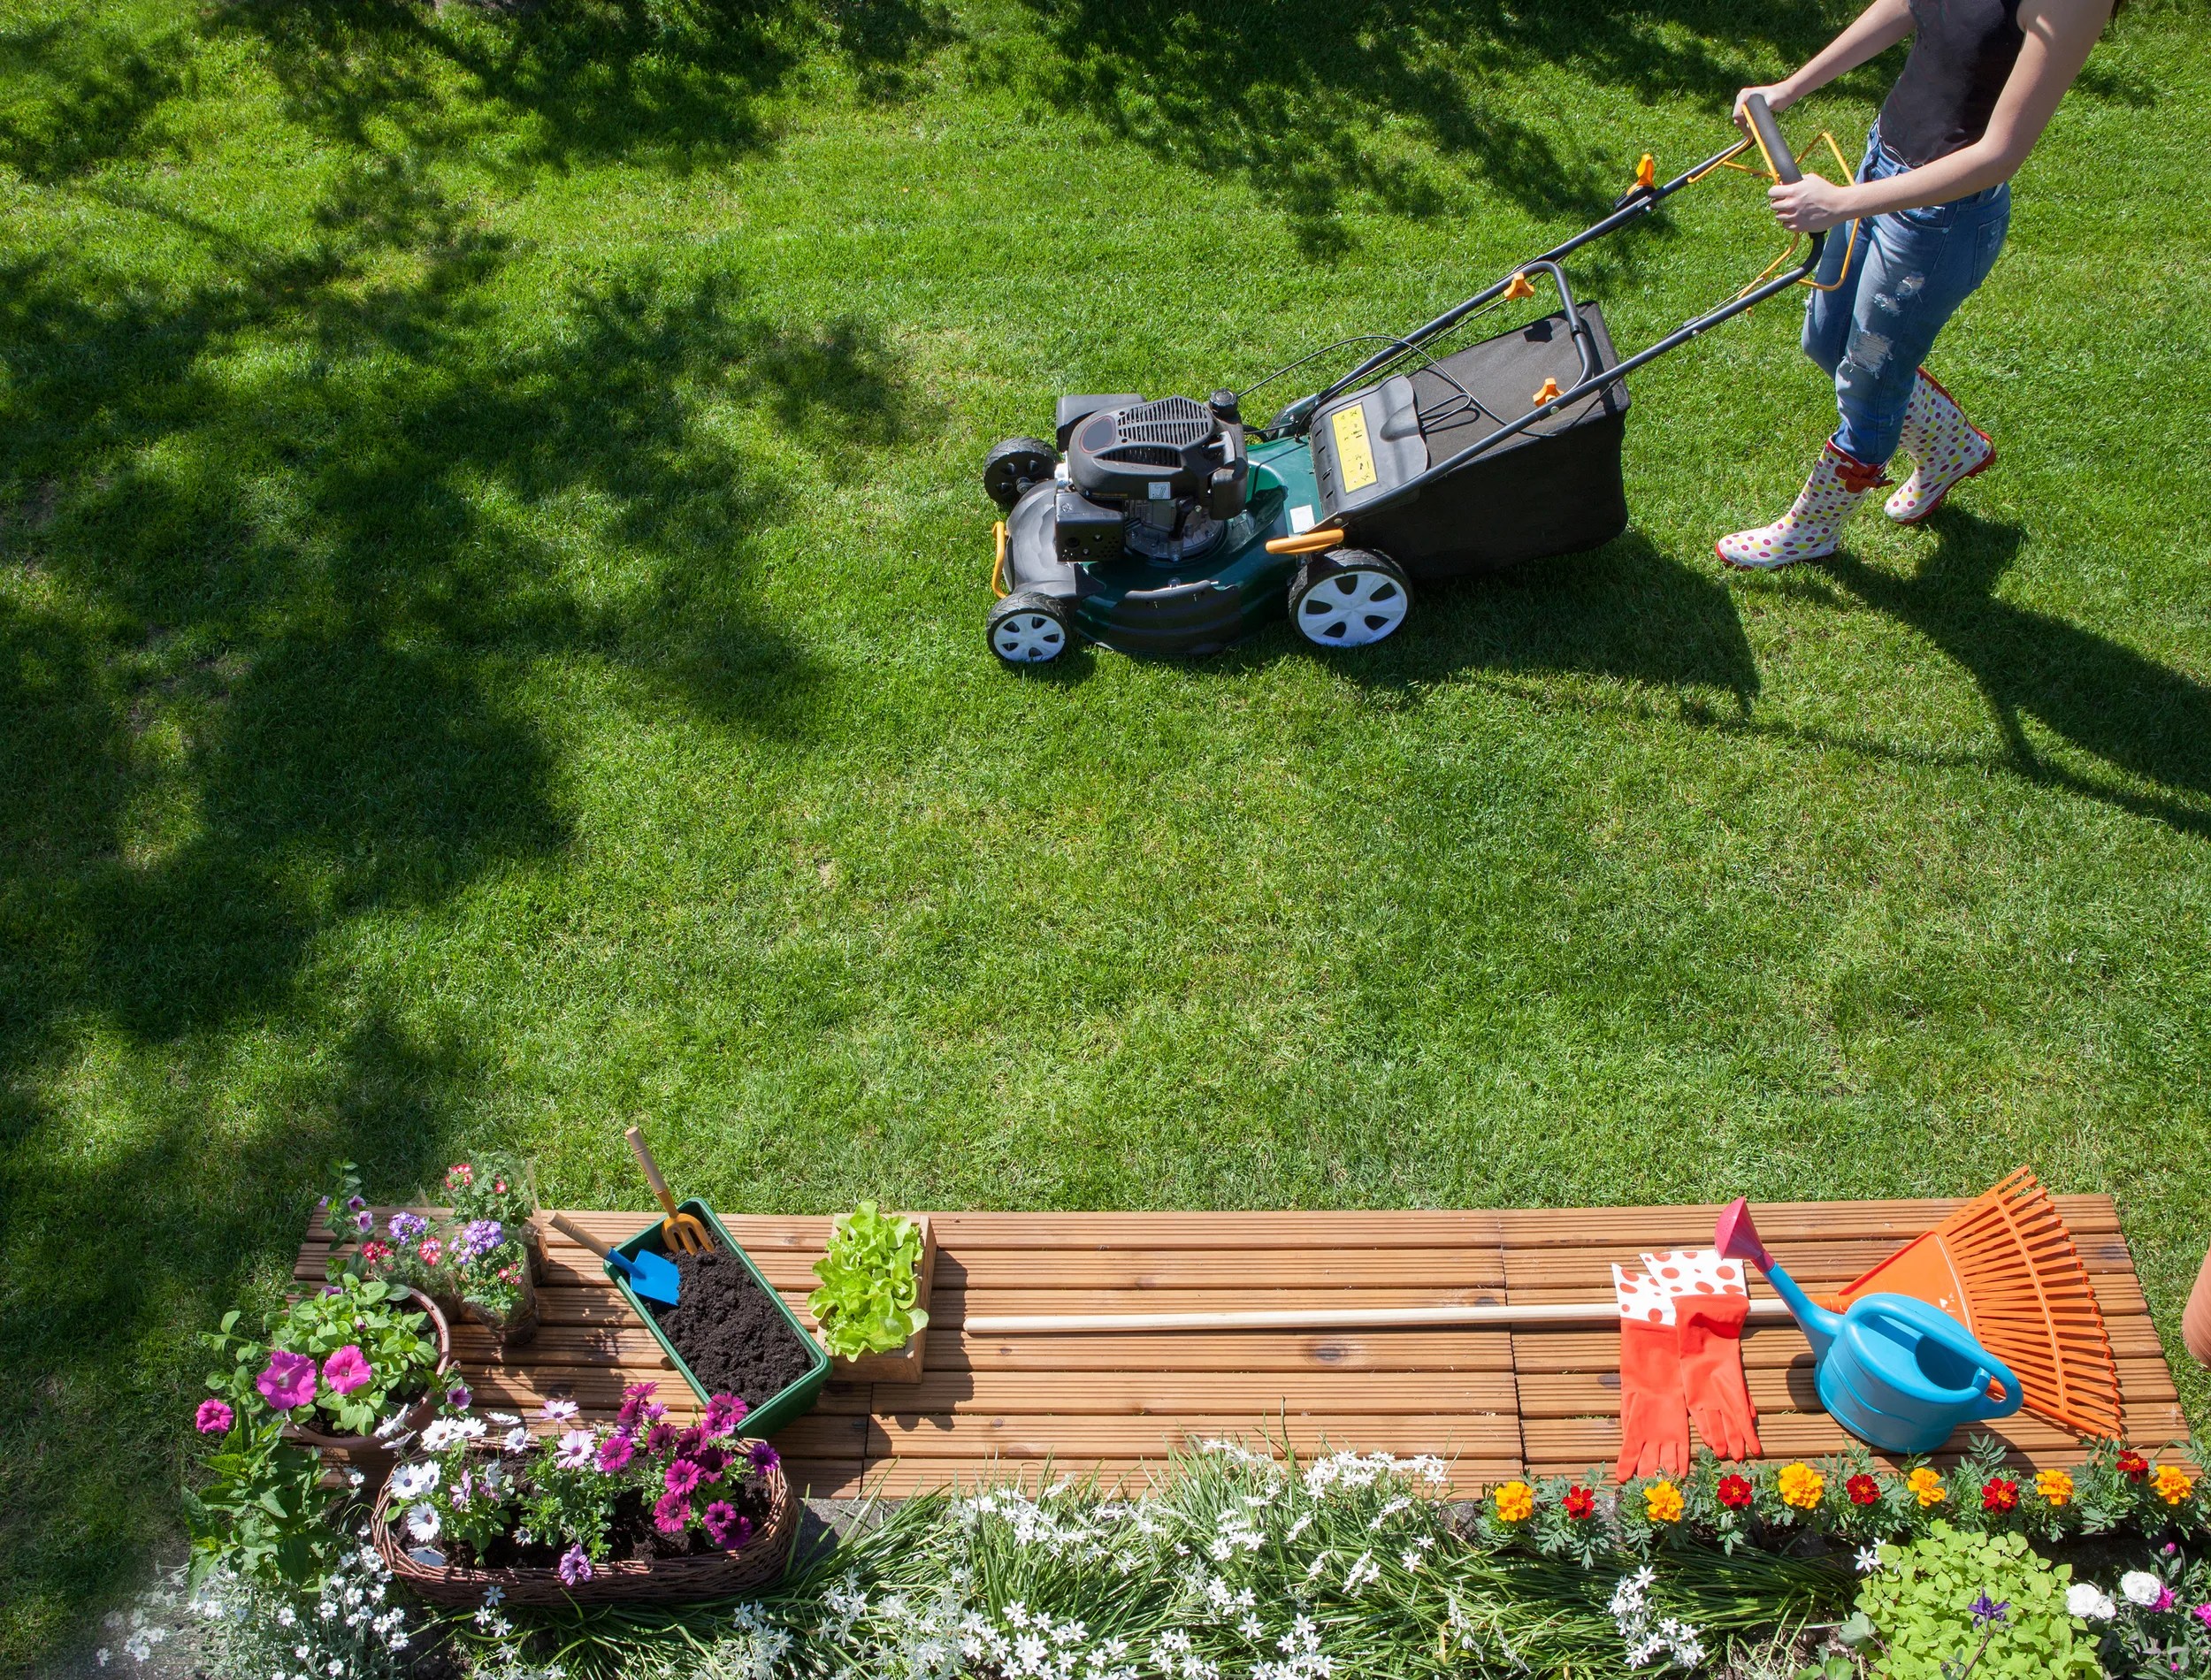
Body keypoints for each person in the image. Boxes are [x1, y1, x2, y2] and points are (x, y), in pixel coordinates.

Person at [1715, 0, 2115, 569]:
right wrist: (1789, 88)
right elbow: (1906, 5)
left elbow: (1998, 155)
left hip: (1940, 221)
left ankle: (1814, 530)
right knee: (1826, 342)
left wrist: (1841, 203)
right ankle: (1951, 446)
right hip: (1882, 162)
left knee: (1871, 383)